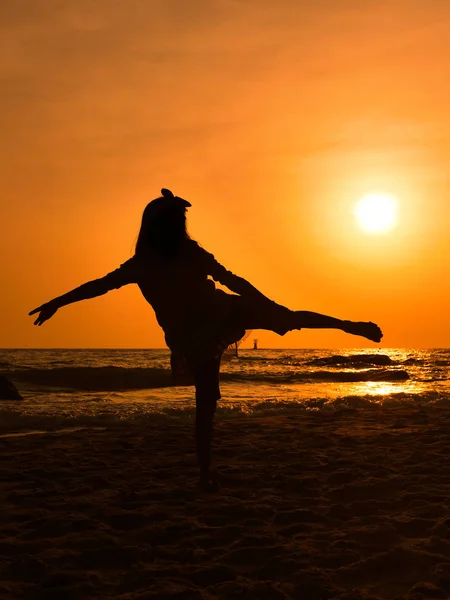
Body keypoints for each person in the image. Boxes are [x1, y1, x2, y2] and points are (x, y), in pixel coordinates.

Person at [29, 188, 383, 491]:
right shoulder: (146, 263)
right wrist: (57, 302)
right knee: (208, 401)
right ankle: (204, 475)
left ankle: (347, 325)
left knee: (268, 338)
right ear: (162, 227)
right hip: (199, 334)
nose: (181, 226)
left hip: (215, 319)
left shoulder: (180, 256)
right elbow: (98, 286)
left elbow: (232, 280)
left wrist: (264, 304)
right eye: (177, 221)